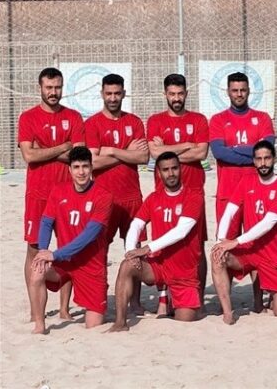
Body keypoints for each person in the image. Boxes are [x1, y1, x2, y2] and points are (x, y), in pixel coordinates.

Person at [108, 152, 204, 331]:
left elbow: (181, 232)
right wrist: (131, 252)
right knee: (126, 266)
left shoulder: (193, 196)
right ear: (159, 173)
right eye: (165, 170)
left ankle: (169, 298)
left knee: (186, 320)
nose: (171, 173)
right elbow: (136, 225)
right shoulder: (154, 198)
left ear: (180, 169)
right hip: (159, 267)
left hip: (184, 272)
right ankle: (120, 322)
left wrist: (146, 248)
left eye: (174, 168)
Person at [18, 67, 85, 321]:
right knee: (34, 249)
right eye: (49, 88)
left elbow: (78, 155)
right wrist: (62, 147)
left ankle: (65, 309)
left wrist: (44, 150)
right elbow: (29, 155)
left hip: (68, 195)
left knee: (67, 249)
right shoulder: (28, 117)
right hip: (38, 194)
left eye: (57, 87)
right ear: (40, 88)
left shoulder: (74, 117)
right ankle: (37, 310)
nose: (53, 92)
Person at [29, 146, 111, 334]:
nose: (81, 172)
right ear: (69, 169)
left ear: (92, 168)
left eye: (85, 166)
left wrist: (55, 254)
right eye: (76, 167)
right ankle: (40, 326)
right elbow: (46, 222)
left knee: (94, 325)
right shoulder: (58, 190)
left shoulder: (104, 196)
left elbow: (89, 236)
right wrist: (43, 250)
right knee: (37, 270)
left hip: (91, 266)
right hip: (64, 262)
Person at [85, 73, 149, 313]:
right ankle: (100, 295)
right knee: (99, 248)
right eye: (108, 93)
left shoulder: (134, 122)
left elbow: (142, 157)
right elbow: (93, 162)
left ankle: (135, 300)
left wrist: (110, 150)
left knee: (135, 248)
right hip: (104, 198)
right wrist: (124, 151)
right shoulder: (92, 124)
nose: (113, 98)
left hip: (132, 196)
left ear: (124, 93)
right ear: (102, 94)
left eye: (117, 93)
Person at [211, 141, 277, 323]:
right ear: (254, 161)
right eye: (258, 159)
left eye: (267, 158)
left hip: (275, 255)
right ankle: (227, 312)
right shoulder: (246, 181)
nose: (263, 163)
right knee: (217, 255)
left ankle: (272, 296)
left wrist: (236, 241)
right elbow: (229, 211)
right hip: (250, 251)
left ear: (274, 159)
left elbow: (269, 223)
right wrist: (220, 240)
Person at [147, 73, 209, 307]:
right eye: (172, 94)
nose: (176, 98)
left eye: (180, 93)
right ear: (165, 94)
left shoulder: (199, 120)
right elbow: (155, 154)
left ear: (186, 93)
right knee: (163, 243)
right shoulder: (155, 120)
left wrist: (167, 149)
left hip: (193, 192)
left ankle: (199, 296)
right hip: (164, 195)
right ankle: (164, 297)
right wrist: (185, 145)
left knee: (196, 246)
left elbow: (201, 153)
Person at [209, 72, 275, 239]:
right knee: (226, 243)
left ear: (249, 91)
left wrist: (233, 148)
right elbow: (219, 152)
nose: (239, 94)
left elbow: (267, 150)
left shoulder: (262, 118)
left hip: (257, 190)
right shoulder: (218, 119)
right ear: (228, 91)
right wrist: (254, 154)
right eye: (235, 90)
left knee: (257, 242)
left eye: (243, 90)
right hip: (228, 190)